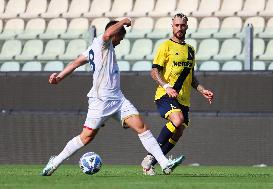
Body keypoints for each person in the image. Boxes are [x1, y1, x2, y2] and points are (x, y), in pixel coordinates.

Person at [41, 18, 185, 176]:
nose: (121, 40)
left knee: (142, 128)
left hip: (118, 100)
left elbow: (75, 63)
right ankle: (54, 163)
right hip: (101, 101)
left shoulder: (94, 49)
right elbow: (108, 33)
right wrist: (124, 21)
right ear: (115, 34)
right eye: (121, 36)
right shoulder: (102, 42)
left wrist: (59, 78)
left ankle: (164, 163)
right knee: (86, 137)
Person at [141, 13, 214, 176]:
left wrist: (203, 90)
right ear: (172, 26)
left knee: (179, 130)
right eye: (177, 25)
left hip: (183, 99)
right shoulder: (165, 46)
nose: (179, 28)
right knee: (177, 119)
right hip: (165, 95)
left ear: (186, 27)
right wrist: (166, 86)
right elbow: (154, 71)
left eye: (182, 25)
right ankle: (151, 158)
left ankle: (151, 163)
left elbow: (191, 77)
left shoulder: (190, 50)